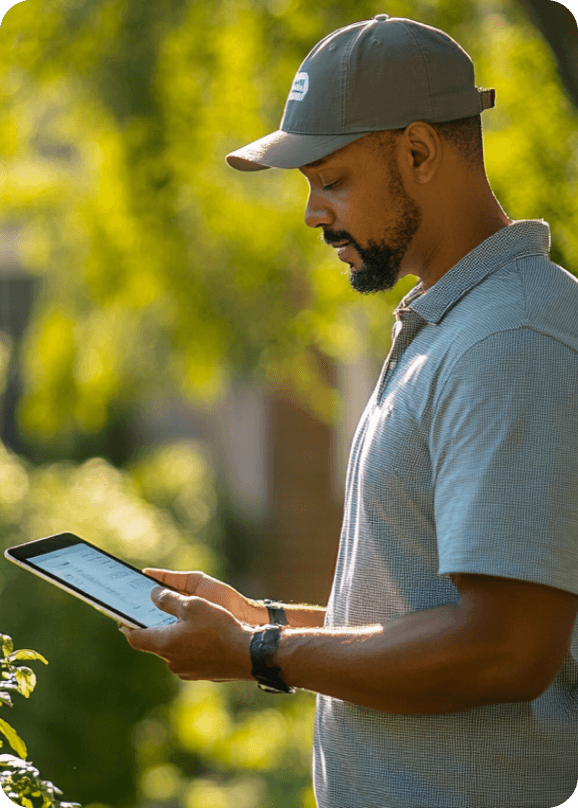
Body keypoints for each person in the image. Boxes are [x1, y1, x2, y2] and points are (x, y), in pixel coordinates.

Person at [121, 15, 578, 807]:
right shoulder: (456, 323)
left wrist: (260, 653)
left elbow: (506, 648)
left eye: (331, 180)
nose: (312, 214)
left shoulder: (512, 337)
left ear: (418, 152)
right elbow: (421, 612)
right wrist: (260, 619)